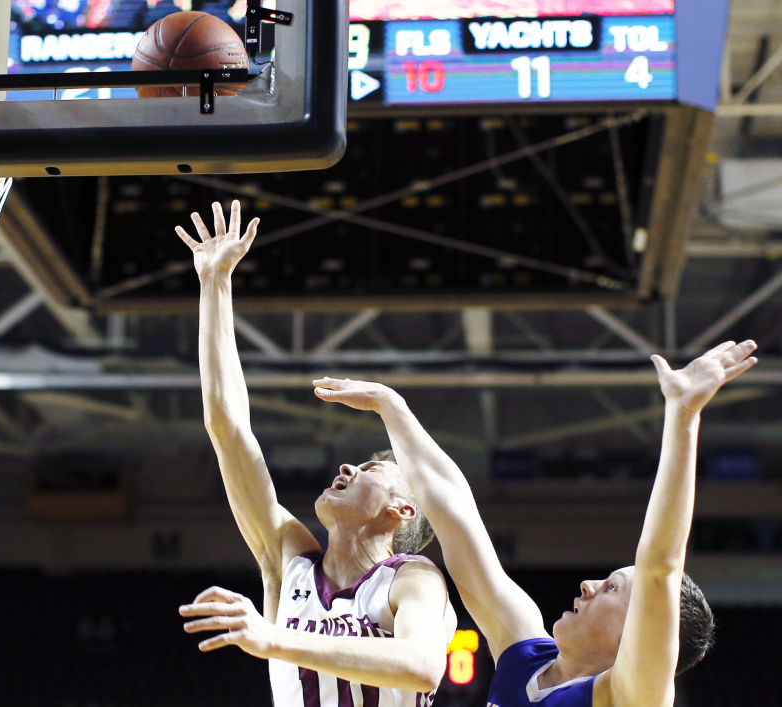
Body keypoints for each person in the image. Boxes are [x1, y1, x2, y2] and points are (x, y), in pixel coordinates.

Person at [312, 339, 758, 706]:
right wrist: (393, 409)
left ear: (644, 627)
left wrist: (682, 418)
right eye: (605, 580)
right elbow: (455, 515)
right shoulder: (524, 653)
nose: (588, 584)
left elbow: (661, 566)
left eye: (613, 589)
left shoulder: (628, 696)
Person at [174, 201, 456, 707]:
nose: (346, 467)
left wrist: (272, 639)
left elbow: (423, 666)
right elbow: (228, 430)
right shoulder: (291, 561)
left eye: (370, 469)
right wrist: (214, 284)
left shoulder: (412, 576)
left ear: (401, 510)